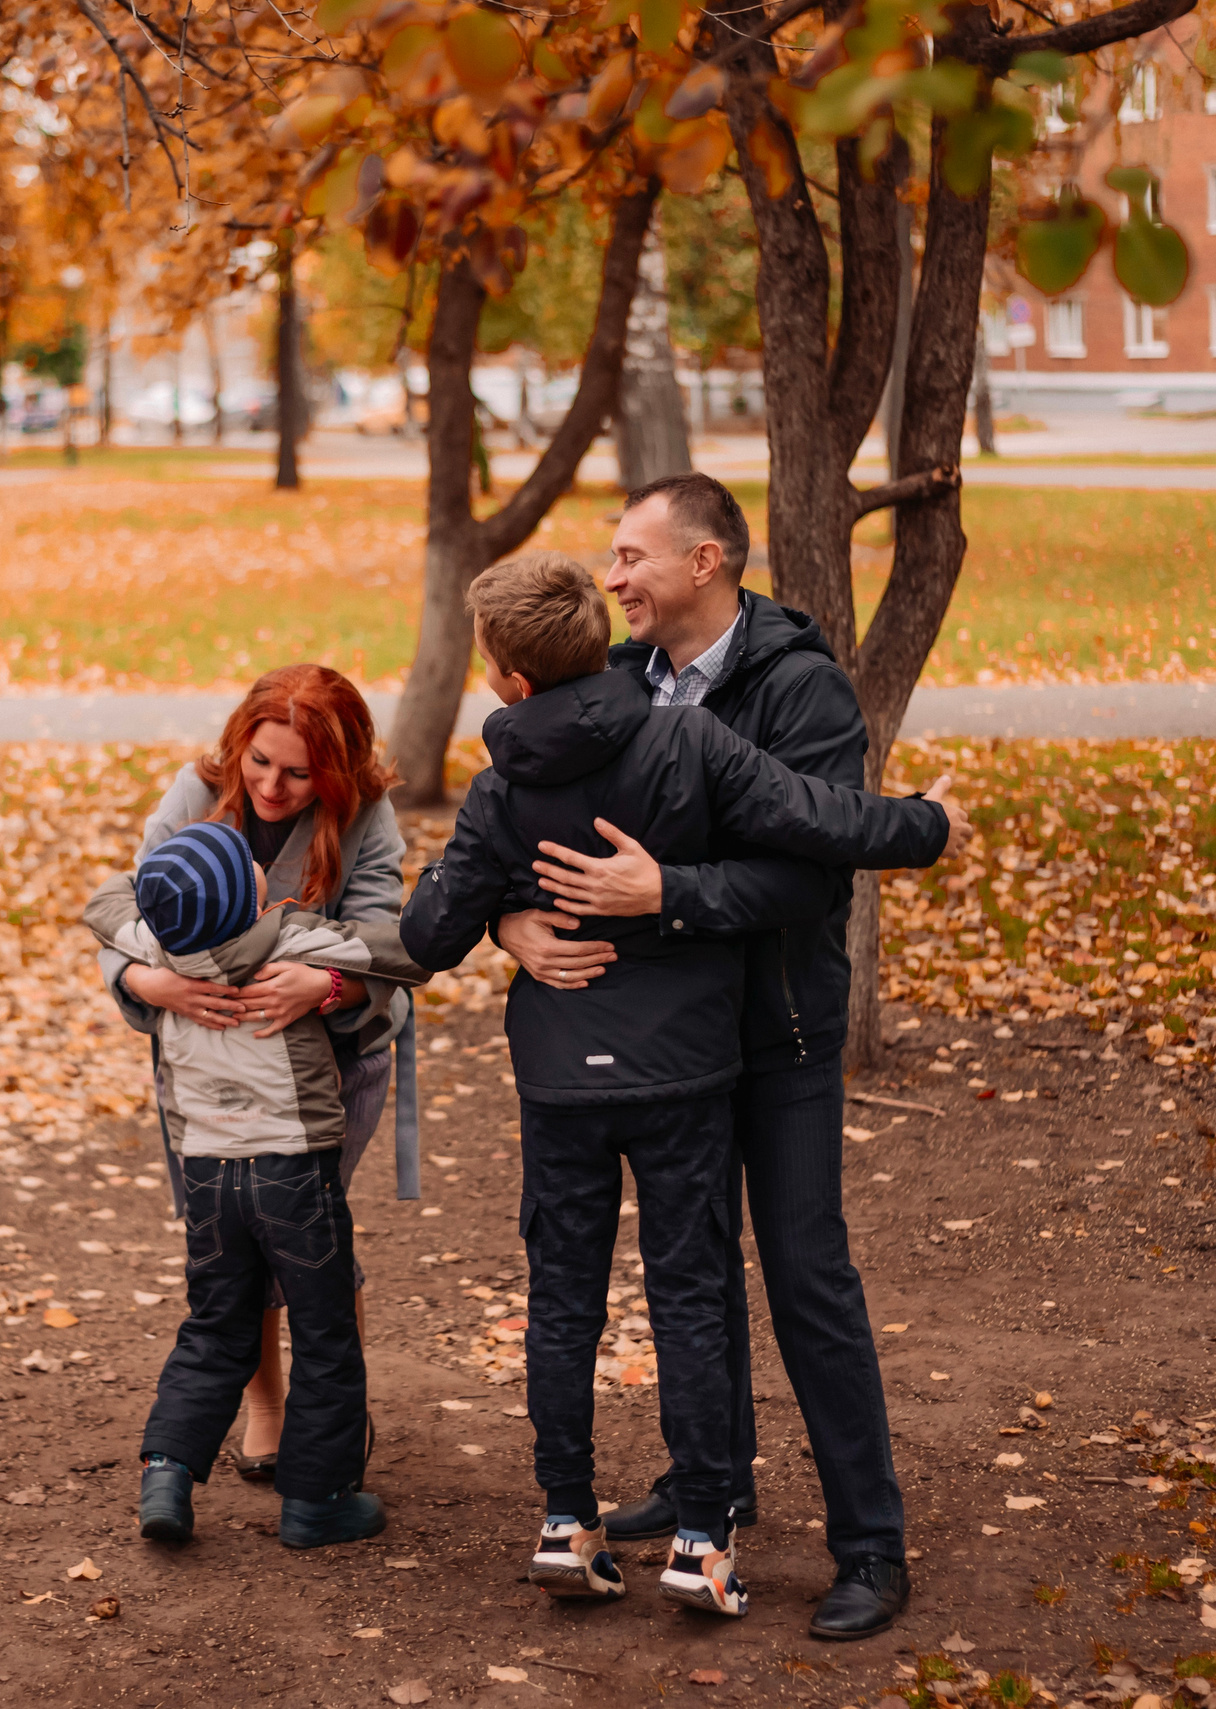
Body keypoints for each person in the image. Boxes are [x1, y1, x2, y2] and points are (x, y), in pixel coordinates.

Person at [400, 555, 965, 1620]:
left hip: (565, 1081)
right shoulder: (685, 738)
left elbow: (427, 929)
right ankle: (704, 1533)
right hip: (681, 1070)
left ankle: (566, 1519)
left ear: (512, 680)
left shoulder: (500, 788)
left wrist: (484, 905)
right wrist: (925, 824)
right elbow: (819, 819)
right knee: (690, 1293)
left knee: (563, 1300)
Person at [97, 665, 413, 1481]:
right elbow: (127, 914)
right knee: (236, 1239)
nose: (272, 786)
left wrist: (327, 985)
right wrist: (151, 984)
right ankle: (266, 1406)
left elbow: (389, 945)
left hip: (327, 1067)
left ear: (336, 771)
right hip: (207, 1068)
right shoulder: (195, 793)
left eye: (298, 772)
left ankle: (331, 1414)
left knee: (307, 1227)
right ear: (239, 743)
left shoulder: (366, 816)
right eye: (260, 761)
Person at [85, 823, 429, 1548]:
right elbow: (408, 951)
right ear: (250, 894)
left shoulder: (158, 950)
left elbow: (106, 901)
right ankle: (318, 1501)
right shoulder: (293, 942)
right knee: (325, 1335)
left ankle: (167, 1472)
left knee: (215, 1326)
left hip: (207, 1176)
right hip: (294, 1174)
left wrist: (150, 945)